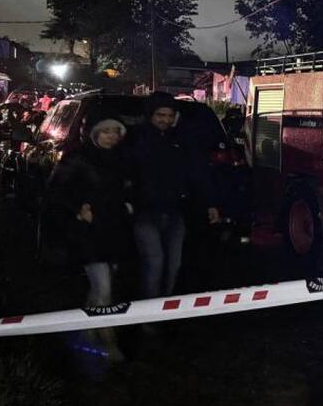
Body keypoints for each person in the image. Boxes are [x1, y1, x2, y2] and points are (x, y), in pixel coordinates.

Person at [46, 113, 131, 361]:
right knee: (103, 286)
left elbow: (124, 187)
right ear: (94, 133)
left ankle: (86, 334)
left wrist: (127, 204)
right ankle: (109, 342)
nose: (111, 136)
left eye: (116, 131)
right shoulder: (78, 157)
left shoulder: (120, 158)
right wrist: (78, 209)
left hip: (113, 230)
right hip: (88, 233)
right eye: (106, 131)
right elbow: (56, 189)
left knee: (101, 288)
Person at [125, 93, 219, 301]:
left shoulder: (180, 139)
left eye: (169, 115)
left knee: (174, 264)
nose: (165, 120)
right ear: (150, 115)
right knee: (154, 261)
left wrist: (210, 203)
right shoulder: (135, 139)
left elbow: (197, 172)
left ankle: (165, 309)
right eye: (160, 115)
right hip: (145, 213)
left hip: (175, 212)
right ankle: (147, 314)